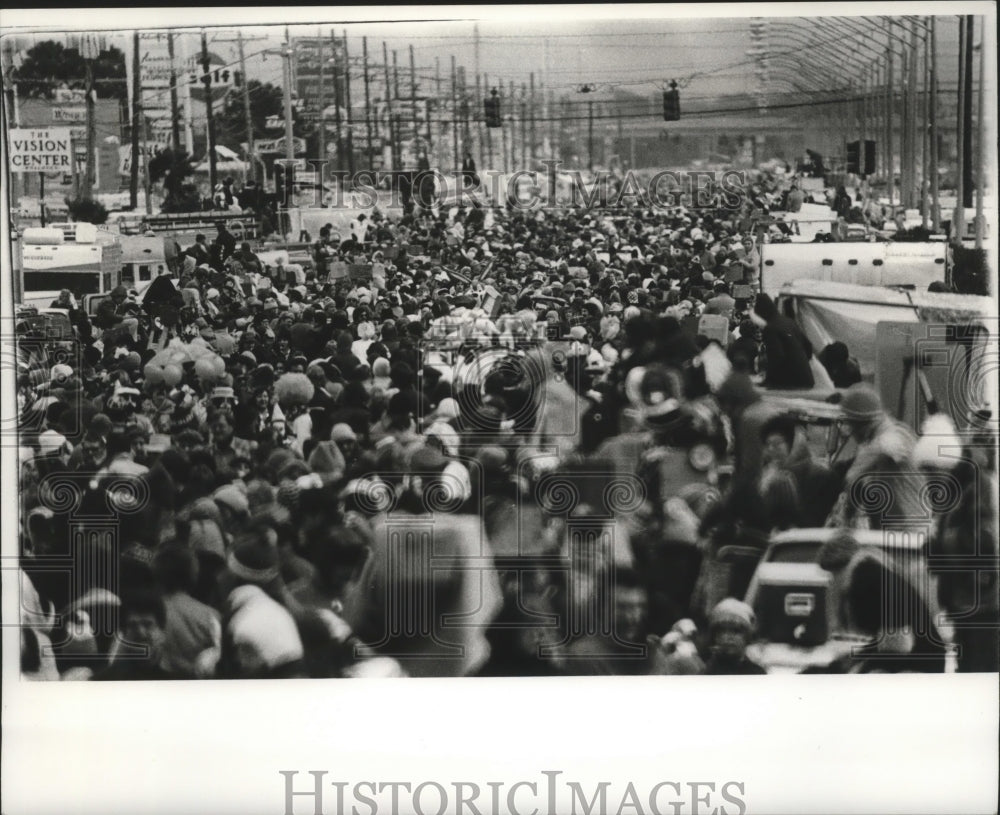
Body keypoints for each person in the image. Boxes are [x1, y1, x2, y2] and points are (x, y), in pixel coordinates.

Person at [826, 383, 922, 530]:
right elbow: (855, 488)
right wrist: (845, 517)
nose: (849, 431)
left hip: (910, 529)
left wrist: (857, 468)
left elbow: (889, 446)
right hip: (889, 530)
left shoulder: (896, 434)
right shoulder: (870, 445)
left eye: (850, 424)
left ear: (862, 423)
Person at [92, 591, 183, 680]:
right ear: (124, 635)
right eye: (132, 626)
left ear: (162, 631)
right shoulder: (108, 681)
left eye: (148, 624)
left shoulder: (182, 679)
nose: (141, 632)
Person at [751, 292, 814, 389]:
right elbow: (808, 346)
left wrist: (769, 380)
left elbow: (776, 357)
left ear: (761, 313)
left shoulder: (770, 328)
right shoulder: (789, 322)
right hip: (806, 378)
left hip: (791, 383)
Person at [703, 598, 766, 675]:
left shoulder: (757, 674)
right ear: (715, 637)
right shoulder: (707, 674)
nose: (728, 637)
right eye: (722, 631)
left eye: (736, 631)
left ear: (747, 636)